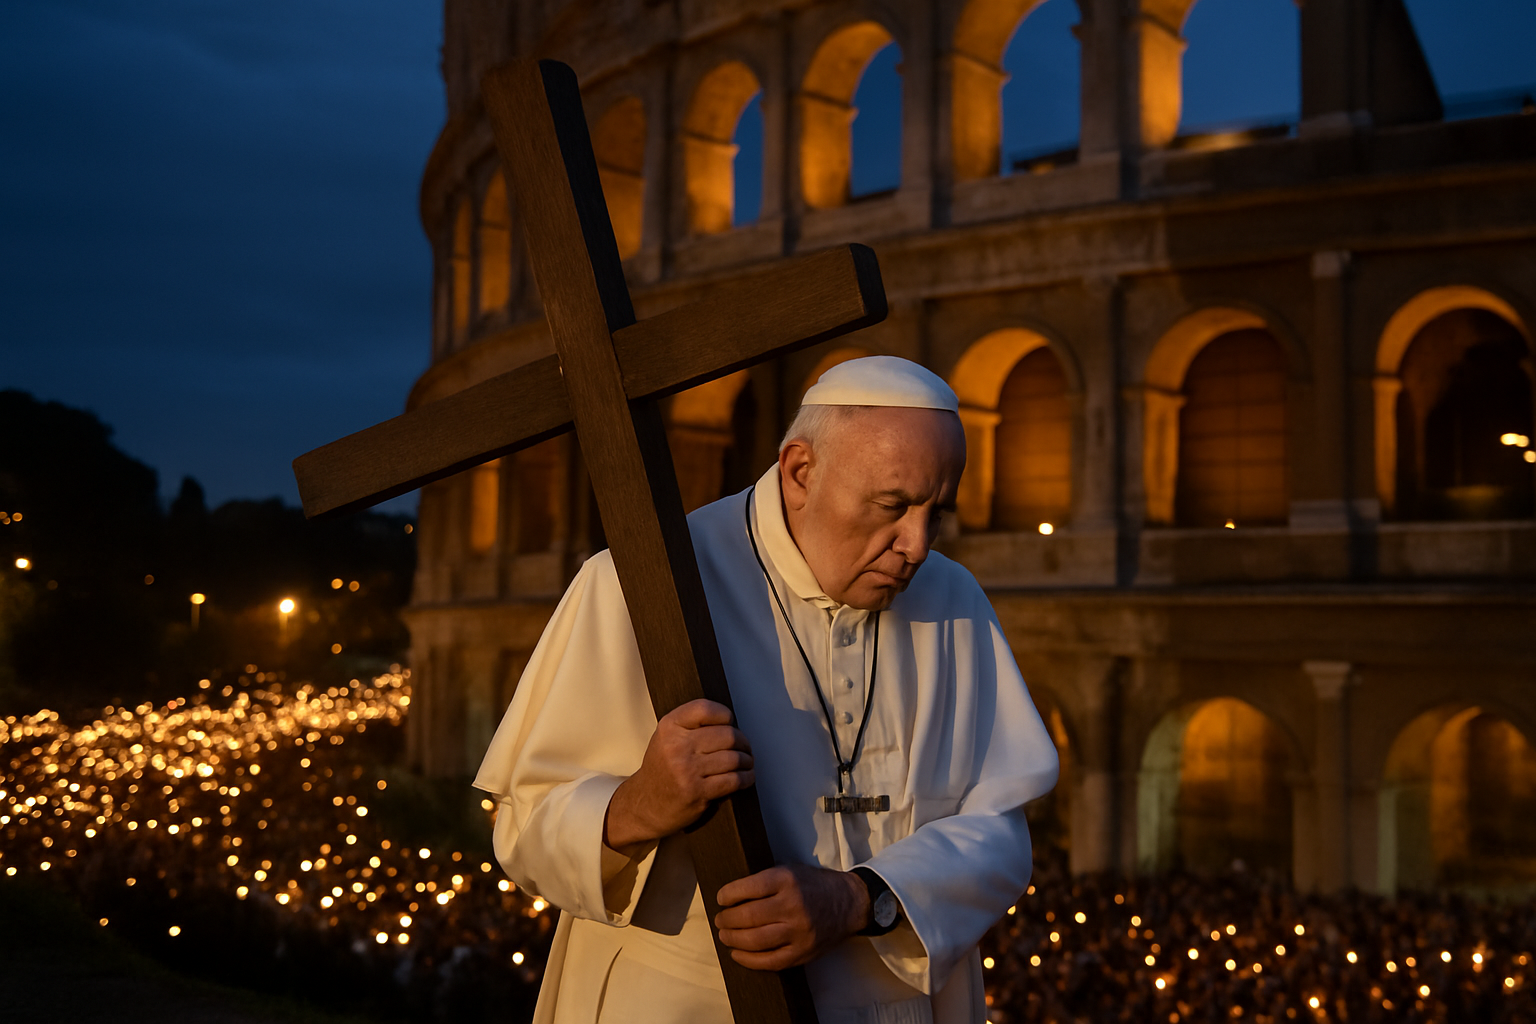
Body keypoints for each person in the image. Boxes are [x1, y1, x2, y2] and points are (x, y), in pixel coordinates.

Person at [474, 355, 1059, 1024]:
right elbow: (525, 833)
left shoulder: (954, 597)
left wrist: (861, 899)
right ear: (801, 470)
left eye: (936, 511)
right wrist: (638, 805)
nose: (918, 545)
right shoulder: (639, 585)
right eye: (893, 506)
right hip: (681, 1003)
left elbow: (1001, 831)